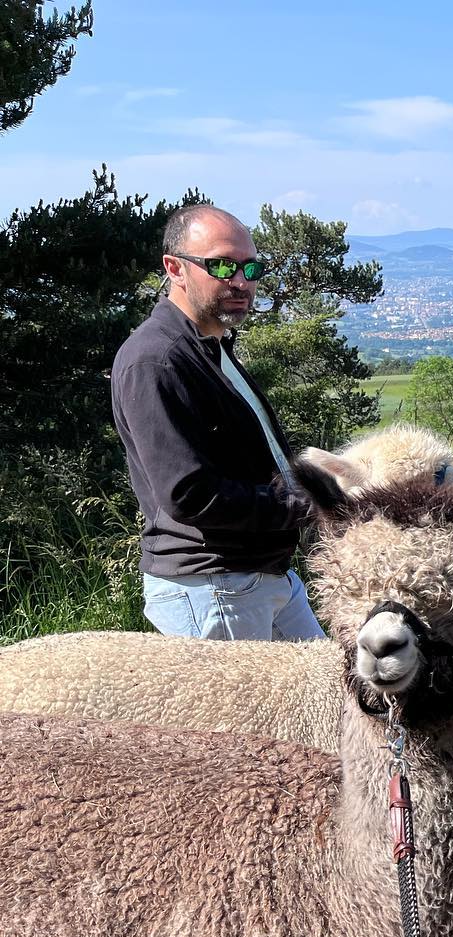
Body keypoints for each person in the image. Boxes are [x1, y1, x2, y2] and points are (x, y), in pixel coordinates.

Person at [110, 204, 325, 640]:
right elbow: (189, 494)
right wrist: (309, 504)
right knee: (252, 713)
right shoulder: (158, 359)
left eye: (251, 267)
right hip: (213, 585)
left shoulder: (210, 347)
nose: (241, 282)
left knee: (335, 704)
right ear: (175, 268)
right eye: (222, 266)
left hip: (261, 578)